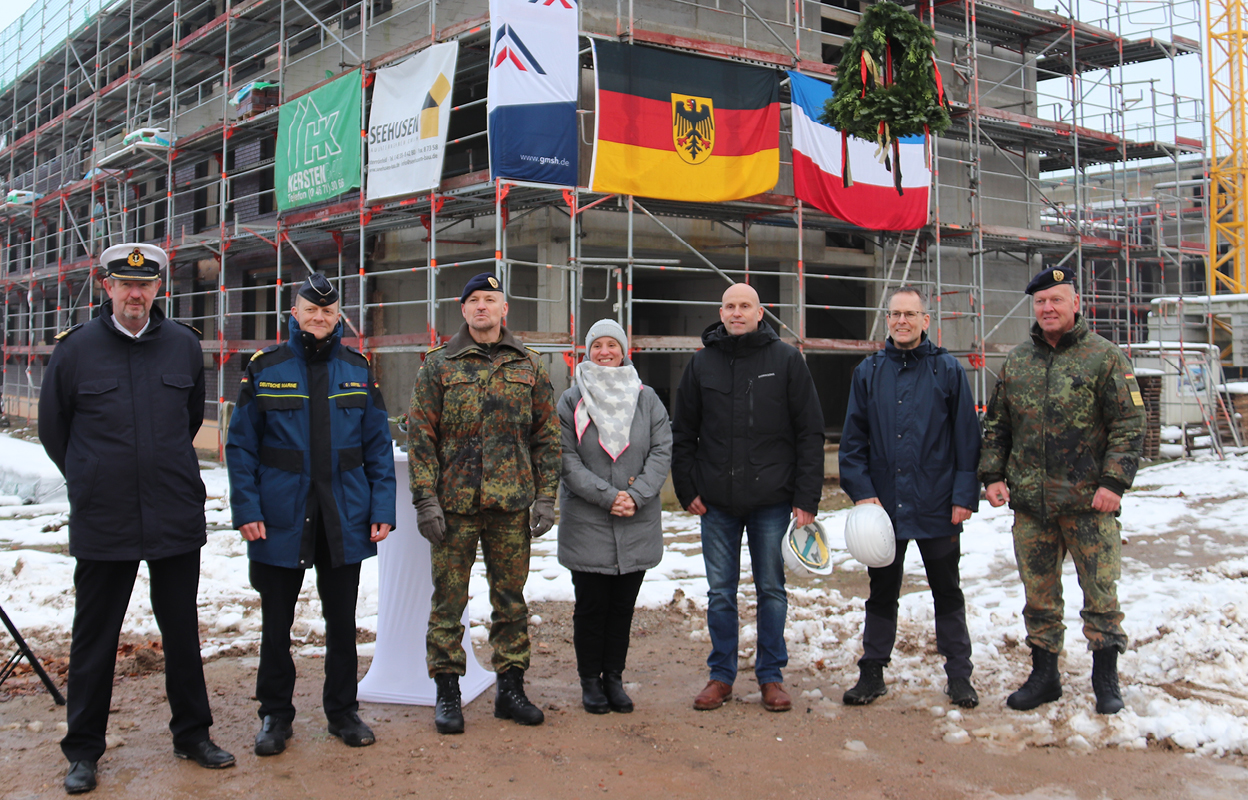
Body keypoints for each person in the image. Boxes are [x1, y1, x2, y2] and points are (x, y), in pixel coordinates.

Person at [39, 243, 234, 795]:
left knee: (181, 632)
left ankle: (193, 735)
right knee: (94, 637)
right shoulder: (75, 351)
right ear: (107, 287)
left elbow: (189, 417)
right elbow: (56, 431)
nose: (134, 294)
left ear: (157, 289)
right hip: (107, 516)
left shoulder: (181, 347)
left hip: (173, 511)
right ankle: (83, 751)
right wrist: (93, 476)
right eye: (124, 285)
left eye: (144, 285)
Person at [226, 273, 396, 754]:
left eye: (328, 311)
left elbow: (378, 448)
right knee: (275, 624)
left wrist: (382, 506)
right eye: (311, 309)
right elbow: (240, 448)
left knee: (342, 622)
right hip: (279, 517)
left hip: (343, 515)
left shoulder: (358, 369)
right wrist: (246, 509)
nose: (319, 318)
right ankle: (275, 717)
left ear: (338, 316)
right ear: (294, 313)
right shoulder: (266, 367)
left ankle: (343, 713)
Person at [979, 267, 1146, 715]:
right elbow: (997, 425)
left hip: (1090, 503)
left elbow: (1129, 425)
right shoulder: (1018, 361)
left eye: (1056, 300)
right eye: (1040, 302)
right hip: (1032, 505)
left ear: (1075, 303)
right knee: (1039, 596)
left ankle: (1105, 678)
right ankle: (1045, 675)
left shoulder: (1104, 358)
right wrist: (993, 475)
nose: (1048, 308)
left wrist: (1114, 482)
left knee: (1101, 594)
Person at [408, 273, 560, 734]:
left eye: (489, 300)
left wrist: (547, 497)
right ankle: (448, 693)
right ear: (463, 310)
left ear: (504, 308)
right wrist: (425, 500)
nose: (481, 307)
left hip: (511, 505)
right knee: (448, 602)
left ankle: (510, 689)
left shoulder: (530, 365)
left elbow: (547, 437)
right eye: (473, 300)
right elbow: (421, 437)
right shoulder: (439, 364)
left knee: (510, 601)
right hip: (454, 506)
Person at [671, 282, 825, 713]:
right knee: (720, 592)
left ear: (761, 313)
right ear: (720, 313)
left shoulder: (787, 361)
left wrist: (806, 497)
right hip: (716, 501)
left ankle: (771, 676)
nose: (737, 312)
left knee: (772, 590)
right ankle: (721, 677)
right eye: (730, 306)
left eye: (746, 306)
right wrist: (687, 487)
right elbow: (682, 432)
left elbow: (809, 432)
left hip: (772, 500)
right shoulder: (702, 364)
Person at [838, 286, 982, 709]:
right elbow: (852, 444)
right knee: (882, 590)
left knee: (947, 589)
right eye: (895, 314)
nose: (902, 321)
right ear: (888, 320)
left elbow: (966, 441)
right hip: (884, 509)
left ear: (925, 321)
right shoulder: (868, 372)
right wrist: (863, 494)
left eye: (910, 314)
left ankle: (959, 675)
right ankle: (872, 672)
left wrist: (962, 496)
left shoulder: (949, 371)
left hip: (937, 505)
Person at [556, 319, 672, 714]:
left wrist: (636, 496)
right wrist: (609, 497)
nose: (605, 352)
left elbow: (661, 450)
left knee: (623, 606)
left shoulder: (647, 398)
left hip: (636, 520)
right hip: (588, 521)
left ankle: (614, 678)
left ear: (625, 351)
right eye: (597, 346)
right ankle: (590, 681)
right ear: (586, 352)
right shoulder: (572, 401)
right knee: (591, 607)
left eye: (613, 345)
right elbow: (566, 459)